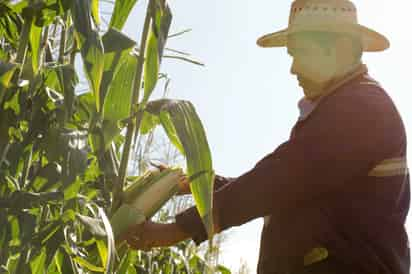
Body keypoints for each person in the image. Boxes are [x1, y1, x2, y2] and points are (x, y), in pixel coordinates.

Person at [120, 1, 410, 273]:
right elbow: (291, 188)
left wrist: (177, 229)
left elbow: (279, 180)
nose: (293, 68)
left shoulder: (363, 108)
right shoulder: (343, 108)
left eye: (301, 54)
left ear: (341, 48)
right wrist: (199, 185)